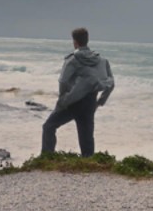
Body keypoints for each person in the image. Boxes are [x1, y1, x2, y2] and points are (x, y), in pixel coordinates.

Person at [42, 26, 114, 156]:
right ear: (87, 40)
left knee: (49, 126)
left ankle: (47, 158)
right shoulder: (102, 61)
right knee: (86, 138)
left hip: (73, 102)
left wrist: (63, 99)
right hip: (90, 102)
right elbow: (111, 83)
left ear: (75, 42)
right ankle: (88, 165)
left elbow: (63, 81)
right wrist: (100, 102)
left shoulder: (72, 59)